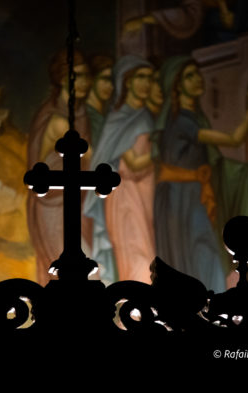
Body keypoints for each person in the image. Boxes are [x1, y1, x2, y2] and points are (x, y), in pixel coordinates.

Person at [153, 55, 248, 293]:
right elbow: (234, 139)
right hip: (180, 196)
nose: (198, 79)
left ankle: (207, 303)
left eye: (197, 73)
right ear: (177, 85)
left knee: (203, 252)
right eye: (189, 76)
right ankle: (206, 304)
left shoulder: (194, 117)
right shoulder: (182, 121)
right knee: (199, 251)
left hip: (191, 193)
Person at [84, 55, 156, 285]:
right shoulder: (118, 120)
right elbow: (132, 163)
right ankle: (134, 304)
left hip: (145, 193)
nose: (146, 84)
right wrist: (161, 153)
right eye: (140, 77)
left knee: (147, 252)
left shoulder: (145, 116)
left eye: (150, 78)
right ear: (127, 81)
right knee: (137, 255)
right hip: (125, 195)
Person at [27, 48, 93, 286]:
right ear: (61, 79)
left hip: (77, 202)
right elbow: (92, 158)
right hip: (52, 205)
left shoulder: (81, 114)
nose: (84, 82)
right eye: (76, 76)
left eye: (86, 75)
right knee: (72, 274)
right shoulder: (58, 121)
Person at [86, 55, 114, 147]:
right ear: (92, 79)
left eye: (112, 81)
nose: (110, 86)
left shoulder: (108, 114)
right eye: (105, 79)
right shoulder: (84, 116)